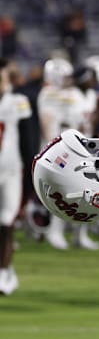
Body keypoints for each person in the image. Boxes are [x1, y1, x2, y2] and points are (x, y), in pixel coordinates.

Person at [38, 58, 99, 250]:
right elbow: (49, 125)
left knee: (87, 192)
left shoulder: (78, 94)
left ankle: (80, 235)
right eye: (64, 77)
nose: (68, 81)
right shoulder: (50, 94)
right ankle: (54, 232)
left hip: (80, 148)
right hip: (61, 149)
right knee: (62, 192)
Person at [0, 59, 32, 295]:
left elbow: (28, 138)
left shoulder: (17, 102)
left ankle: (3, 272)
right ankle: (6, 270)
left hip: (11, 170)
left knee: (6, 223)